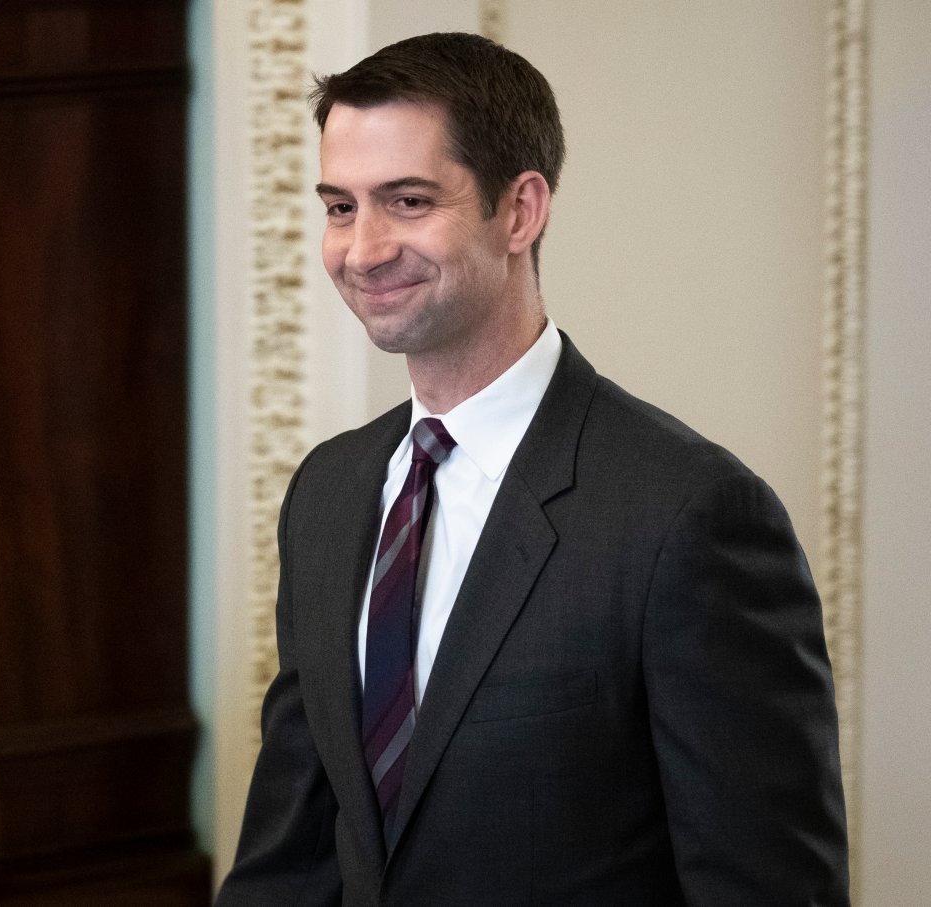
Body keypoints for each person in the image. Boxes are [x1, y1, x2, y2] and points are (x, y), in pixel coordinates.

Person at [215, 32, 849, 906]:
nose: (362, 250)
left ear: (520, 211)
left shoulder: (690, 515)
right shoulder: (328, 490)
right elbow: (289, 859)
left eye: (406, 201)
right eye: (339, 207)